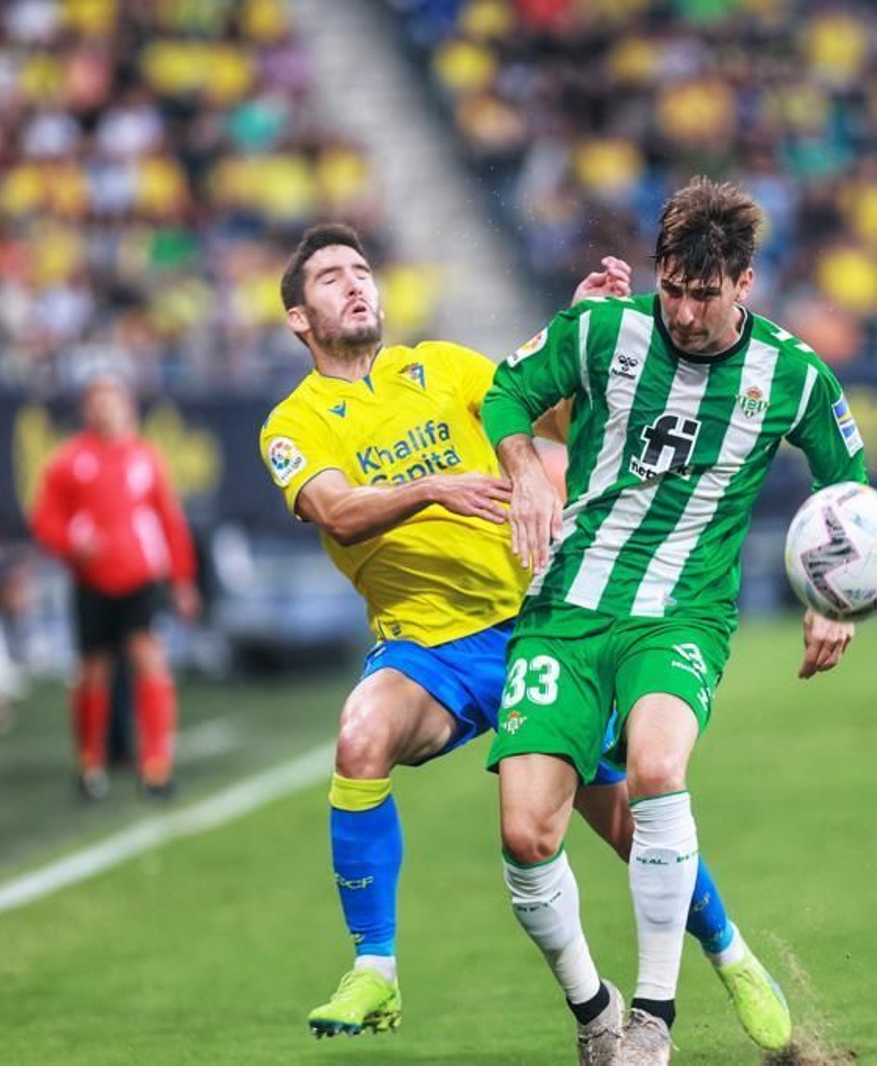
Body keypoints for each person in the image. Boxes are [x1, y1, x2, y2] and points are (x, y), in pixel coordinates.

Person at [259, 223, 788, 1056]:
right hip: (429, 652)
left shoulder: (440, 365)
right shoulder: (294, 423)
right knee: (361, 732)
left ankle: (732, 955)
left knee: (630, 822)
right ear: (299, 318)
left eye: (363, 270)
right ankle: (377, 968)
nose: (357, 285)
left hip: (539, 627)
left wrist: (578, 329)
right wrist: (435, 487)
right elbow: (334, 510)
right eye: (331, 279)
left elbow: (541, 402)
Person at [483, 177, 866, 1064]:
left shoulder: (793, 375)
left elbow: (848, 483)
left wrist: (834, 599)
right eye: (673, 289)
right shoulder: (601, 330)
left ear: (744, 284)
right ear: (656, 273)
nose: (686, 313)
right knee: (524, 832)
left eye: (705, 293)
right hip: (567, 605)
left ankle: (654, 1023)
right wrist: (525, 466)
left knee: (656, 767)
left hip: (682, 614)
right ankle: (596, 1011)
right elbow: (505, 391)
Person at [30, 374, 199, 800]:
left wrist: (182, 579)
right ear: (87, 410)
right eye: (97, 402)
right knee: (93, 670)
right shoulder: (69, 461)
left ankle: (156, 765)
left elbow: (168, 521)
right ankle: (90, 764)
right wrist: (71, 542)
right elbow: (44, 519)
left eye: (113, 401)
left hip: (140, 576)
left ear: (127, 407)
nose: (105, 410)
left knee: (148, 657)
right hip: (91, 581)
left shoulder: (146, 457)